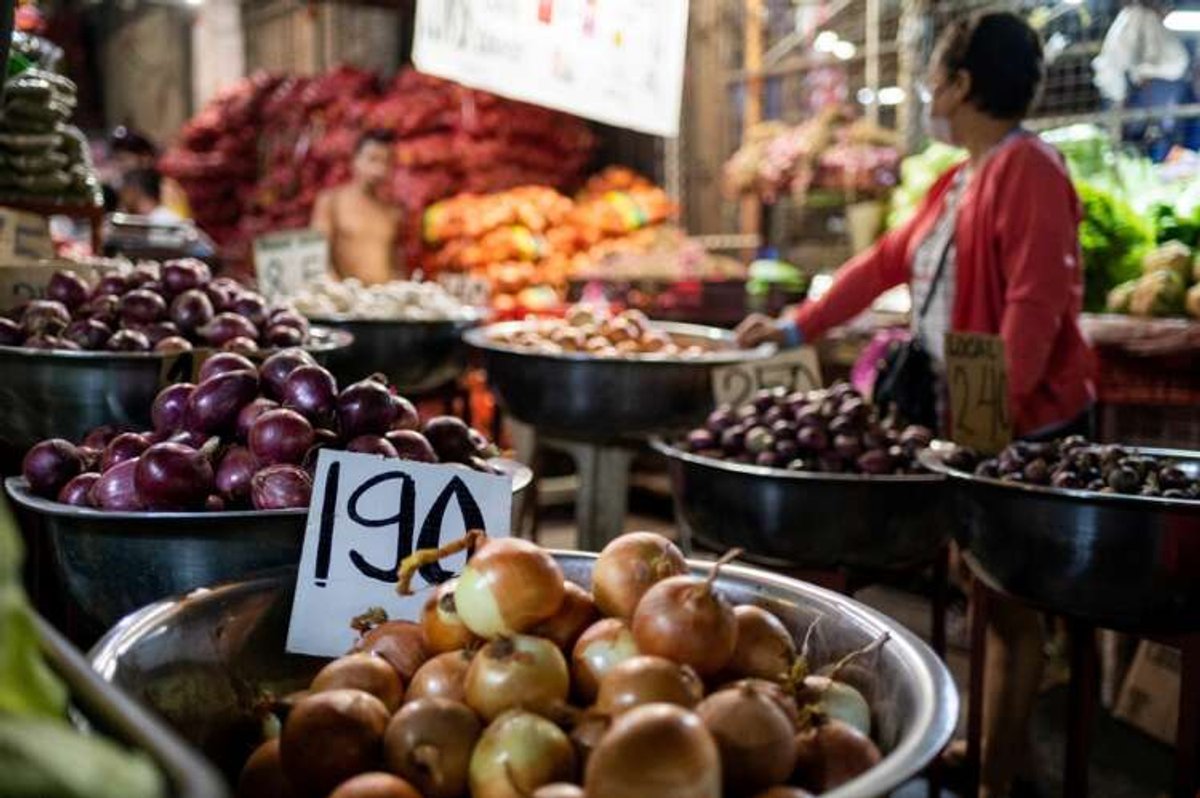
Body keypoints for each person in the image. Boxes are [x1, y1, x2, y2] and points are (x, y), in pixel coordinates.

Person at [737, 12, 1094, 797]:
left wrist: (988, 428)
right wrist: (795, 324)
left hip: (1024, 423)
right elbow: (880, 266)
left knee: (1010, 603)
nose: (928, 90)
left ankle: (999, 776)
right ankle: (1001, 750)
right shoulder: (958, 178)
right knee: (984, 593)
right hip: (974, 421)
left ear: (963, 85)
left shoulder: (1029, 169)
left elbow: (1036, 306)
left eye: (934, 74)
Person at [311, 130, 404, 285]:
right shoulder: (332, 202)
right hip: (348, 302)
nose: (379, 169)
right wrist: (339, 298)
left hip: (385, 302)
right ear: (355, 159)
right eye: (372, 159)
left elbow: (396, 265)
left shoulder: (391, 212)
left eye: (386, 161)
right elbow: (318, 258)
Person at [117, 167, 182, 224]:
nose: (121, 195)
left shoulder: (166, 220)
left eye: (125, 189)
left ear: (134, 190)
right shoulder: (143, 219)